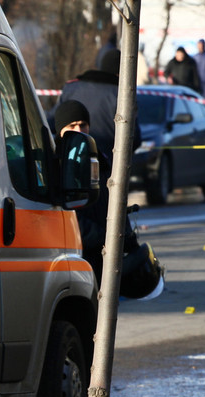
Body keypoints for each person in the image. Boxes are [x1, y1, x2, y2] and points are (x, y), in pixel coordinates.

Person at [55, 100, 138, 286]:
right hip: (79, 254)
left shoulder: (98, 158)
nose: (78, 130)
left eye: (82, 125)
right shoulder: (56, 164)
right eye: (71, 126)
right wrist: (103, 236)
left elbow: (113, 202)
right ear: (60, 130)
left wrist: (127, 238)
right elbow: (69, 217)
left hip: (104, 253)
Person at [53, 48, 141, 163]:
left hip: (68, 162)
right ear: (124, 73)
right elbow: (134, 139)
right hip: (109, 167)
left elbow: (52, 121)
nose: (78, 129)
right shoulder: (122, 95)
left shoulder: (72, 87)